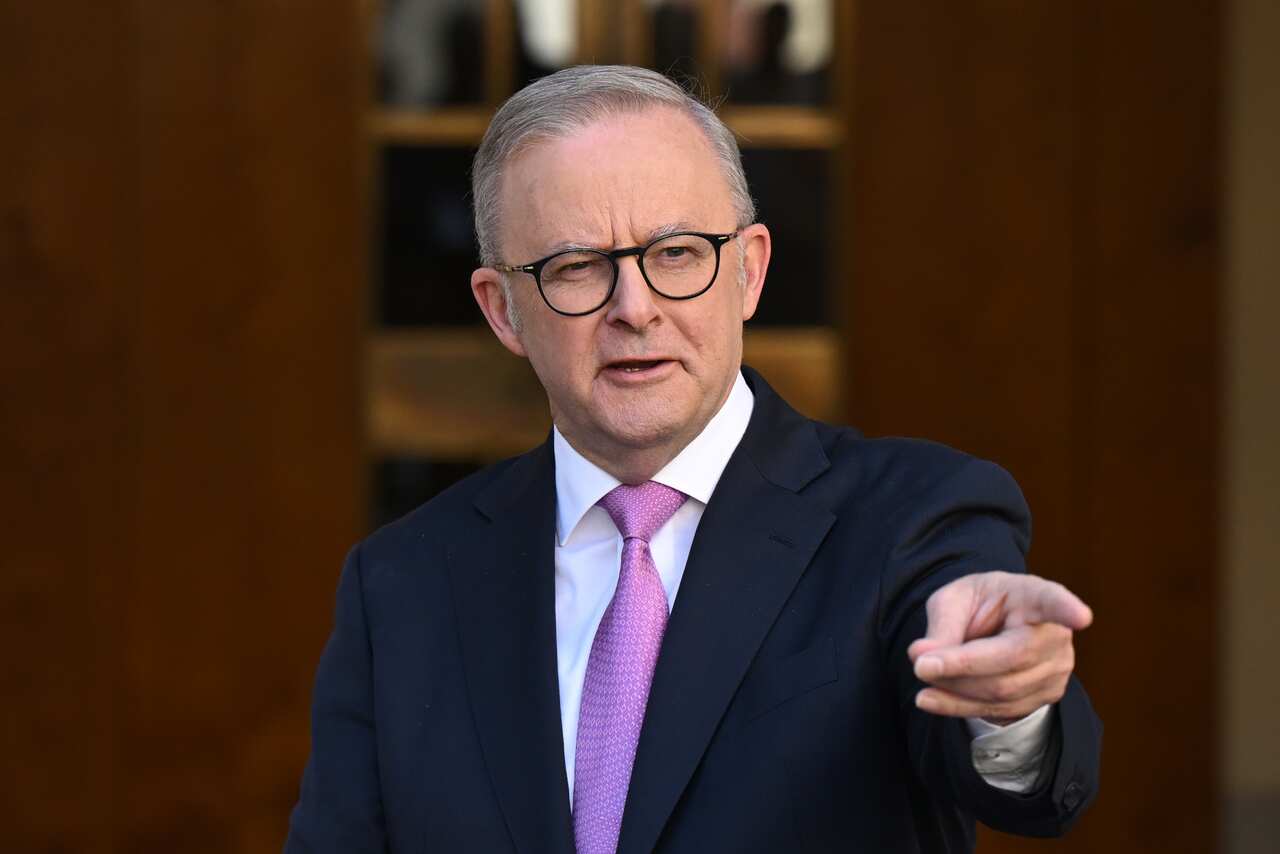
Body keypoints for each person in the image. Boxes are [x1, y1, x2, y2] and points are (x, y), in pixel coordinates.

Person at [285, 65, 1101, 853]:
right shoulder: (402, 585)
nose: (634, 308)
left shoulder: (913, 519)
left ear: (748, 271)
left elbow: (1019, 784)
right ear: (503, 312)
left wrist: (1006, 706)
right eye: (577, 267)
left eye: (676, 253)